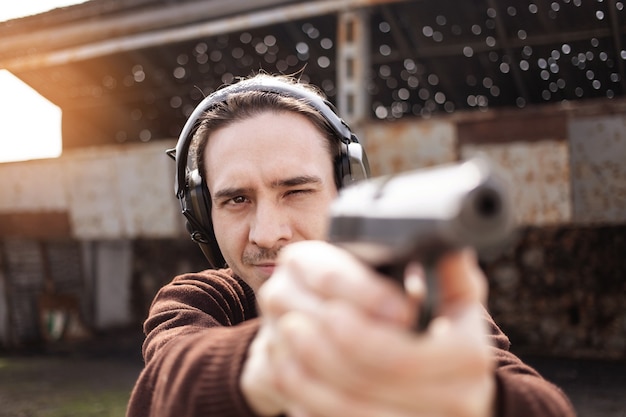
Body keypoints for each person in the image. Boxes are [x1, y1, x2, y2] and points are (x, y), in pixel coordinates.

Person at [126, 73, 575, 417]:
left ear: (344, 189)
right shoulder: (201, 299)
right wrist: (271, 365)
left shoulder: (418, 293)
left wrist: (477, 397)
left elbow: (540, 401)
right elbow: (163, 383)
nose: (267, 232)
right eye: (237, 199)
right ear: (204, 215)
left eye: (296, 191)